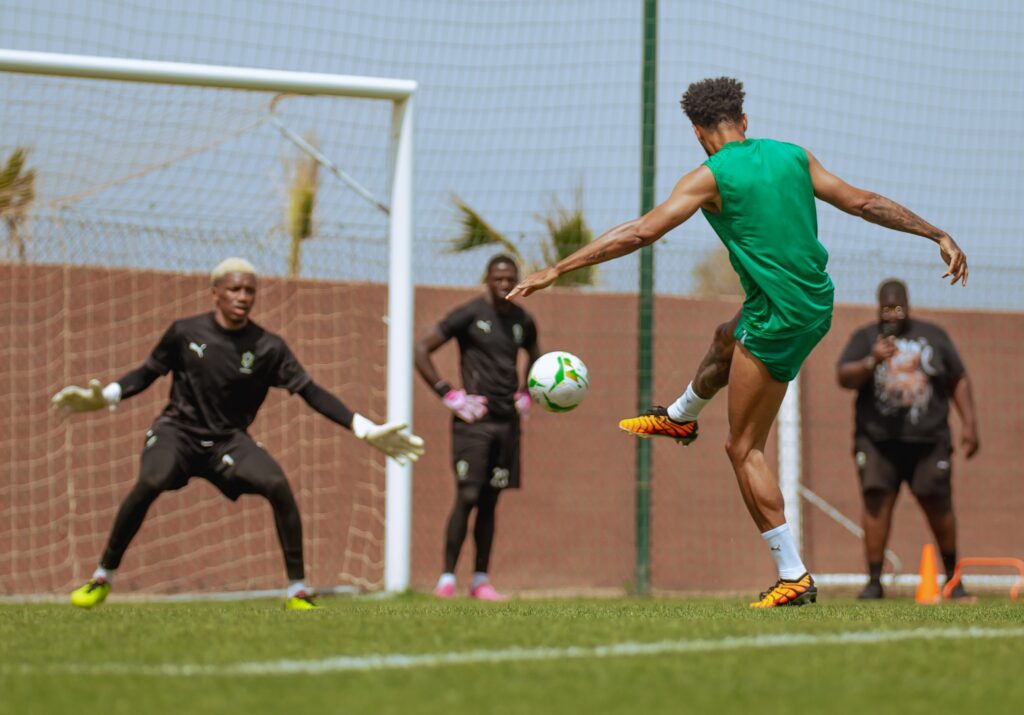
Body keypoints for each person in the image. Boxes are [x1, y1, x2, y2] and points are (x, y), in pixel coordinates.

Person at [507, 77, 968, 608]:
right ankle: (679, 416)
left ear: (697, 132)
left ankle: (793, 575)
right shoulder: (794, 156)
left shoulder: (709, 176)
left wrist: (556, 269)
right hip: (812, 301)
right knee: (725, 337)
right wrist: (936, 233)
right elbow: (863, 202)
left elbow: (639, 232)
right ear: (743, 121)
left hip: (779, 318)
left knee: (743, 448)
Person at [52, 258, 424, 610]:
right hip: (177, 433)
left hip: (228, 441)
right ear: (215, 292)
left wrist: (363, 427)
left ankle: (298, 590)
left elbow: (311, 392)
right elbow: (146, 373)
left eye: (249, 291)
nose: (242, 297)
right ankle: (102, 577)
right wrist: (107, 396)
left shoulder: (268, 347)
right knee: (151, 480)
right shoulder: (185, 332)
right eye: (234, 289)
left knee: (277, 485)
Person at [837, 279, 978, 599]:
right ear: (878, 309)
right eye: (886, 308)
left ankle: (953, 579)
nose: (892, 314)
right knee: (876, 503)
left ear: (908, 306)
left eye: (897, 307)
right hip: (877, 441)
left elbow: (958, 379)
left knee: (939, 505)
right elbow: (843, 376)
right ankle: (874, 582)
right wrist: (872, 360)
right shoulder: (865, 338)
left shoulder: (933, 336)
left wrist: (970, 424)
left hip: (928, 441)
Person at [415, 254, 540, 600]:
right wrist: (448, 394)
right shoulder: (469, 314)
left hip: (507, 424)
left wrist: (527, 393)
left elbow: (536, 357)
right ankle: (446, 579)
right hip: (473, 422)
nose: (504, 284)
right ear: (486, 279)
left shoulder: (523, 320)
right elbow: (421, 349)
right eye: (498, 279)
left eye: (510, 279)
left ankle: (480, 580)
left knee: (490, 501)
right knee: (468, 495)